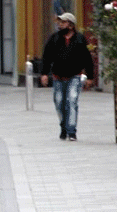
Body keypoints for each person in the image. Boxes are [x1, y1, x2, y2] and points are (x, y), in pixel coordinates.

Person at [39, 12, 94, 141]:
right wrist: (44, 74)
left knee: (72, 101)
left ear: (70, 25)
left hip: (74, 76)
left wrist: (90, 77)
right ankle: (64, 126)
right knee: (59, 102)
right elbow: (46, 57)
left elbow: (87, 59)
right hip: (58, 77)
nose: (60, 25)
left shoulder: (80, 39)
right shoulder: (54, 38)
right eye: (59, 23)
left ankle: (71, 131)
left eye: (63, 23)